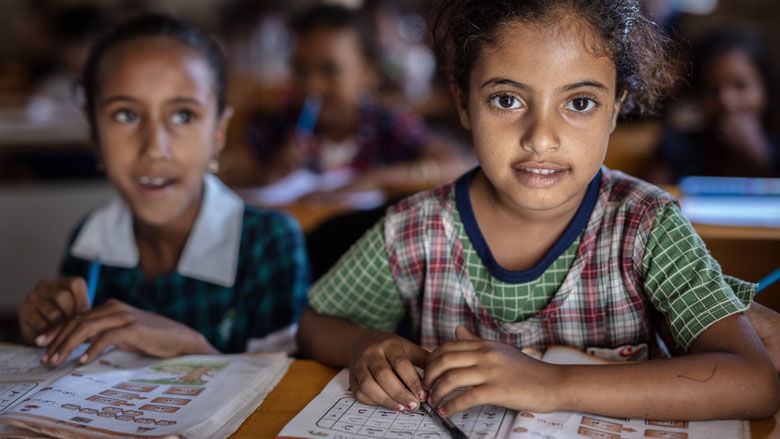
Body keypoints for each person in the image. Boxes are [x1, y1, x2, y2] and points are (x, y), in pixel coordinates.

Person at [297, 0, 780, 421]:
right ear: (463, 102)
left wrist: (552, 384)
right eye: (506, 100)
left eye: (580, 102)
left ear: (615, 108)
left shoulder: (646, 224)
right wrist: (362, 345)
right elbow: (317, 324)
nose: (541, 137)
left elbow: (754, 382)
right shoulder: (415, 228)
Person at [17, 14, 310, 365]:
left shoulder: (268, 241)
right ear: (94, 132)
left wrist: (192, 349)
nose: (155, 147)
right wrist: (49, 330)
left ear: (219, 131)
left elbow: (282, 385)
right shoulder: (90, 243)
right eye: (126, 115)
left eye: (183, 116)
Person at [220, 3, 471, 195]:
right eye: (300, 69)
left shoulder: (386, 123)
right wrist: (266, 173)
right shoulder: (283, 123)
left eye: (330, 70)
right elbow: (225, 169)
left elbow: (456, 166)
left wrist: (378, 179)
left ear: (368, 72)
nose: (312, 85)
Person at [649, 26, 780, 183]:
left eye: (741, 86)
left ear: (766, 87)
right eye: (711, 90)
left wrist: (763, 159)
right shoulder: (678, 149)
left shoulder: (774, 152)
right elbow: (656, 194)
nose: (726, 102)